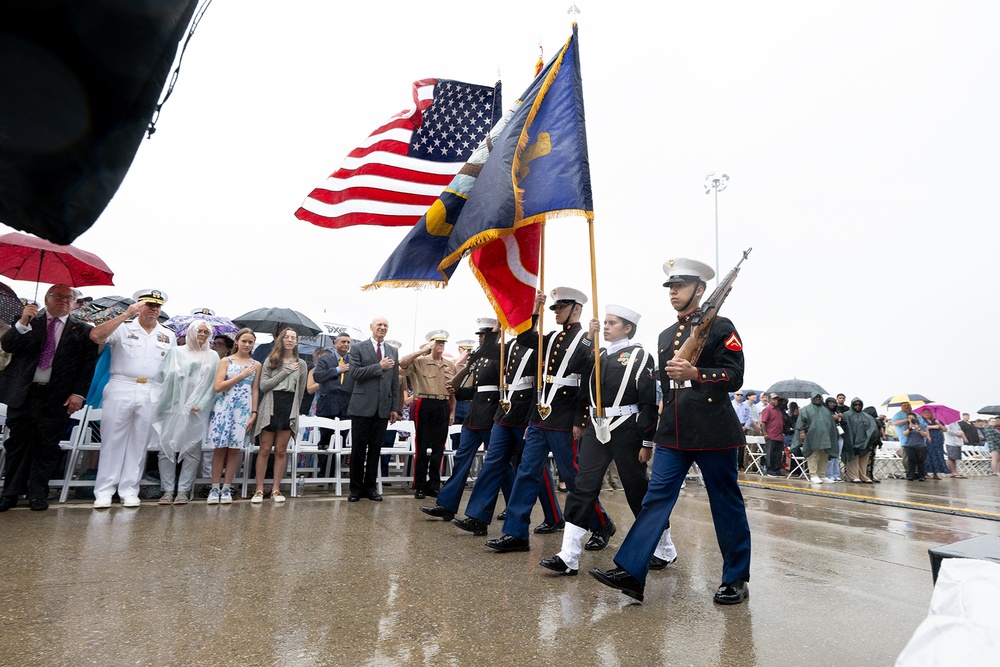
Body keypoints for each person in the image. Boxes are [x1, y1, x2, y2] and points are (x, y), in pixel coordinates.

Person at [590, 257, 751, 605]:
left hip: (713, 430)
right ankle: (632, 571)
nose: (673, 292)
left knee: (725, 504)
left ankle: (735, 578)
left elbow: (735, 376)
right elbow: (663, 388)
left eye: (679, 286)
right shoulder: (665, 335)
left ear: (700, 289)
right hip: (673, 430)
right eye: (670, 287)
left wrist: (697, 374)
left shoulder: (722, 327)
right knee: (655, 500)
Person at [540, 304, 676, 577]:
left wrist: (647, 442)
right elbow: (575, 368)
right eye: (605, 321)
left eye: (612, 323)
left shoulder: (640, 355)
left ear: (627, 328)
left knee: (636, 490)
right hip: (596, 426)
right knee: (583, 487)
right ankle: (569, 556)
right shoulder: (597, 353)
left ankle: (664, 547)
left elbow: (648, 401)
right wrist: (589, 337)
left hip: (627, 427)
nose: (606, 325)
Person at [485, 287, 614, 554]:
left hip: (566, 418)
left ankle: (602, 524)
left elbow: (587, 380)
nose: (555, 313)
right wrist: (535, 311)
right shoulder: (553, 337)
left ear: (575, 309)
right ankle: (516, 532)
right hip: (540, 417)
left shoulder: (587, 339)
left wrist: (581, 420)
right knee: (526, 473)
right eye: (553, 309)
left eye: (560, 308)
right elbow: (523, 338)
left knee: (574, 476)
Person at [0, 284, 98, 512]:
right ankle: (10, 493)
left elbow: (87, 366)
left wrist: (78, 394)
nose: (63, 300)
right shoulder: (28, 321)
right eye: (58, 295)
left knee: (47, 446)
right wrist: (24, 321)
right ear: (46, 298)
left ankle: (37, 493)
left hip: (57, 397)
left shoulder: (82, 329)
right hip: (24, 394)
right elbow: (9, 345)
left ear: (74, 303)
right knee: (17, 445)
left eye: (69, 297)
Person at [89, 289, 175, 509]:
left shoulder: (167, 335)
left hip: (151, 390)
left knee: (139, 443)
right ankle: (105, 491)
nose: (154, 309)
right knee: (112, 440)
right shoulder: (123, 328)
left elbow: (170, 369)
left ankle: (129, 489)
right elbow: (96, 336)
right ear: (138, 306)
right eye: (149, 305)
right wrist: (125, 315)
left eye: (158, 306)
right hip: (122, 385)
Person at [420, 318, 500, 520]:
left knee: (501, 465)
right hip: (474, 415)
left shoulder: (500, 354)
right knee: (461, 460)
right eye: (480, 335)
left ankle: (509, 503)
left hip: (491, 415)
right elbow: (475, 389)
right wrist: (457, 390)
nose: (481, 338)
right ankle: (447, 504)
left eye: (484, 335)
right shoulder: (478, 358)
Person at [151, 320, 218, 505]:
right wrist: (182, 372)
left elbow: (214, 385)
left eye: (206, 331)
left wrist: (202, 404)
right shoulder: (176, 352)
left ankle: (183, 490)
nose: (202, 334)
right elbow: (164, 375)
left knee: (192, 450)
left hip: (196, 409)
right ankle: (167, 489)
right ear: (190, 332)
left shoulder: (213, 356)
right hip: (173, 405)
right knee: (166, 448)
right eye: (199, 331)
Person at [251, 326, 308, 503]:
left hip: (289, 407)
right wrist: (285, 371)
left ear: (297, 342)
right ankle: (259, 489)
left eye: (293, 337)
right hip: (271, 404)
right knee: (265, 449)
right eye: (287, 337)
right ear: (281, 340)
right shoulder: (271, 360)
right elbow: (264, 386)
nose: (290, 340)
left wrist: (295, 412)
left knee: (281, 451)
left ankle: (276, 488)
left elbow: (301, 391)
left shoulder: (302, 363)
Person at [346, 317, 400, 502]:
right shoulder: (358, 348)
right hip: (362, 407)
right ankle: (355, 489)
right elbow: (354, 373)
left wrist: (395, 407)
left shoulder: (393, 351)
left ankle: (370, 488)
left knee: (375, 450)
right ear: (371, 327)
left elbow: (394, 381)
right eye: (379, 325)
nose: (382, 328)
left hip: (382, 409)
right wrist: (379, 366)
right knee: (358, 450)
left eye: (385, 325)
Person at [399, 330, 457, 499]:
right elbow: (402, 364)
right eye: (437, 342)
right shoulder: (420, 361)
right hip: (424, 402)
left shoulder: (449, 365)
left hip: (443, 404)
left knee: (439, 447)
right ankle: (420, 485)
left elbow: (452, 391)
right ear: (430, 343)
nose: (441, 344)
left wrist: (452, 411)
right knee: (422, 446)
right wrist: (421, 350)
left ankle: (433, 484)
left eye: (443, 342)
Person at [206, 327, 261, 503]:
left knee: (235, 449)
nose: (247, 344)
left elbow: (254, 390)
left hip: (243, 408)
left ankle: (227, 487)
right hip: (224, 405)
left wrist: (254, 412)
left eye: (250, 342)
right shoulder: (226, 361)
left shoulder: (256, 365)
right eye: (244, 340)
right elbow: (218, 386)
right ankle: (215, 487)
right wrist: (241, 375)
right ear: (236, 341)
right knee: (220, 448)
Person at [312, 333, 353, 453]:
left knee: (342, 443)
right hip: (327, 406)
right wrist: (338, 370)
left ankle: (337, 470)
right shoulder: (324, 360)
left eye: (348, 342)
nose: (346, 344)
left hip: (346, 406)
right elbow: (317, 376)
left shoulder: (354, 360)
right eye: (343, 342)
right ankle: (323, 471)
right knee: (325, 443)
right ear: (335, 343)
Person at [796, 393, 838, 484]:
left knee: (824, 455)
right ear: (812, 398)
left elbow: (831, 423)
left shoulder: (825, 410)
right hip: (812, 436)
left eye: (819, 397)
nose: (818, 398)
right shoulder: (806, 409)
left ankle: (822, 475)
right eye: (816, 397)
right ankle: (813, 475)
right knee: (813, 455)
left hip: (825, 437)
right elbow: (801, 421)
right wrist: (802, 432)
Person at [841, 398, 876, 483]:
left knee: (863, 460)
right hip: (851, 441)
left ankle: (863, 476)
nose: (857, 406)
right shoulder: (846, 415)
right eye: (855, 405)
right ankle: (853, 476)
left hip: (865, 442)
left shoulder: (867, 416)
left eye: (859, 405)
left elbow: (872, 428)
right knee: (852, 459)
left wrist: (869, 440)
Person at [918, 408, 950, 480]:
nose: (927, 414)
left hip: (938, 441)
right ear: (922, 414)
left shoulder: (936, 420)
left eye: (928, 412)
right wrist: (932, 427)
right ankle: (925, 473)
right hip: (929, 440)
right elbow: (924, 427)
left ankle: (935, 473)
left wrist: (938, 424)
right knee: (929, 456)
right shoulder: (922, 421)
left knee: (938, 456)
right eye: (925, 413)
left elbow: (945, 429)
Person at [760, 394, 786, 476]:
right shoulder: (767, 410)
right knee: (770, 453)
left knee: (778, 454)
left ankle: (776, 469)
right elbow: (763, 422)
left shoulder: (779, 411)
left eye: (777, 400)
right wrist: (765, 433)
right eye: (774, 399)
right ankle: (770, 470)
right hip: (771, 435)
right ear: (770, 400)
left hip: (779, 436)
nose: (776, 401)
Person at [902, 413, 929, 480]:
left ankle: (921, 475)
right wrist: (910, 428)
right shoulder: (906, 426)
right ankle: (911, 475)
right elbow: (905, 433)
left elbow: (925, 435)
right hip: (909, 445)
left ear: (916, 419)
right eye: (909, 418)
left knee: (921, 461)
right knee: (911, 461)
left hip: (921, 446)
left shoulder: (921, 426)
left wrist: (918, 429)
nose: (911, 419)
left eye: (912, 418)